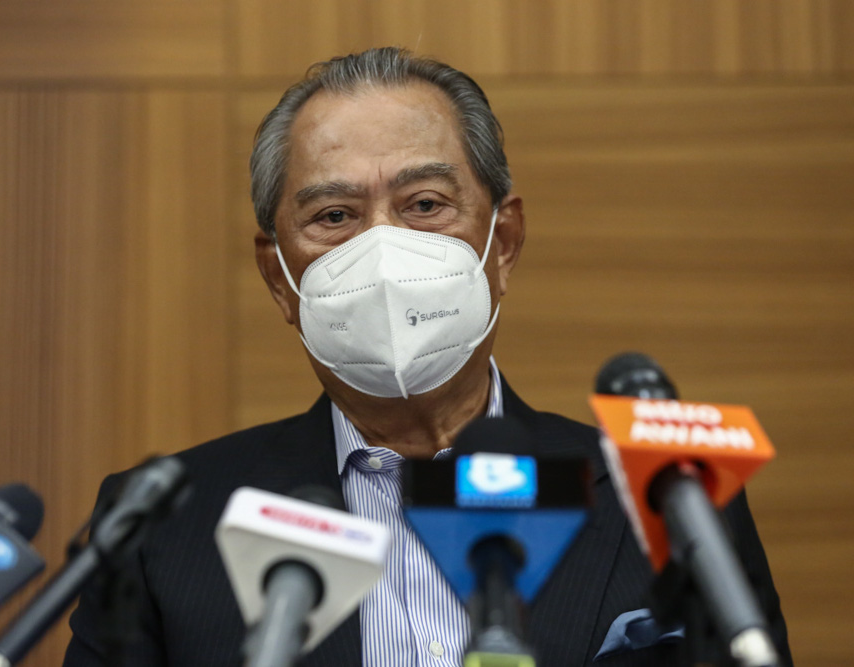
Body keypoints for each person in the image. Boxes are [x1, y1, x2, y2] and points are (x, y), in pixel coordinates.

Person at [64, 47, 790, 666]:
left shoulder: (671, 499)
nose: (383, 252)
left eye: (424, 205)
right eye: (334, 216)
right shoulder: (158, 528)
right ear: (278, 278)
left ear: (501, 245)